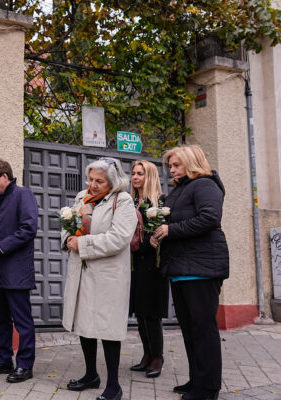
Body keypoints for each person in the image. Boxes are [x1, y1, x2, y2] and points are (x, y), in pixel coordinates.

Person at [151, 145, 229, 400]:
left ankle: (208, 388)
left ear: (192, 162)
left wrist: (171, 231)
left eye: (176, 165)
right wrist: (159, 233)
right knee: (189, 329)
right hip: (181, 268)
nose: (171, 170)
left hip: (202, 268)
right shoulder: (180, 189)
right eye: (170, 166)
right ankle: (197, 380)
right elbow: (172, 223)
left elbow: (209, 218)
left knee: (203, 329)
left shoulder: (205, 185)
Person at [62, 157, 137, 400]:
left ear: (112, 182)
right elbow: (68, 225)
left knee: (107, 328)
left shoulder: (122, 200)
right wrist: (67, 239)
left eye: (99, 181)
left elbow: (119, 237)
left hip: (108, 275)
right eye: (90, 179)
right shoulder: (82, 196)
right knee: (85, 324)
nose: (92, 185)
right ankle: (91, 375)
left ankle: (113, 385)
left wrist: (81, 243)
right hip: (83, 272)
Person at [0, 159, 39, 383]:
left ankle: (24, 366)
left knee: (22, 322)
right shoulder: (0, 201)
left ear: (5, 177)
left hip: (17, 272)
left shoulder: (24, 195)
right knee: (1, 320)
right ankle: (4, 360)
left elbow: (29, 228)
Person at [129, 160, 169, 378]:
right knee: (140, 313)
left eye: (140, 174)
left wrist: (147, 243)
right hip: (135, 262)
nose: (135, 177)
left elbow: (161, 235)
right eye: (134, 173)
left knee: (151, 314)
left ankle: (157, 357)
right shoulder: (131, 201)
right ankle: (147, 355)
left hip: (153, 264)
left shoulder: (161, 202)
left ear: (150, 176)